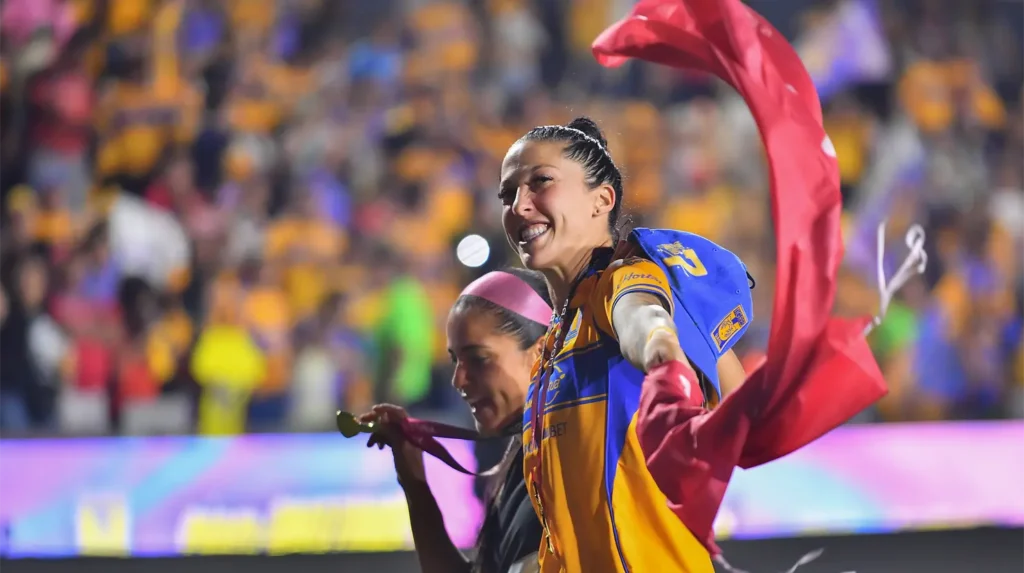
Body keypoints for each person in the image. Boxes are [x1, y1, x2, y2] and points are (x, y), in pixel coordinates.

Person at [499, 116, 750, 572]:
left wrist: (661, 353)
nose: (519, 205)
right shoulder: (553, 347)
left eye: (541, 182)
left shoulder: (621, 279)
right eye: (508, 193)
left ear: (602, 200)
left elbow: (642, 316)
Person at [360, 268, 549, 573]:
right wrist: (415, 483)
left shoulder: (577, 462)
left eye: (479, 359)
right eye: (455, 360)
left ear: (541, 352)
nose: (458, 380)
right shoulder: (522, 460)